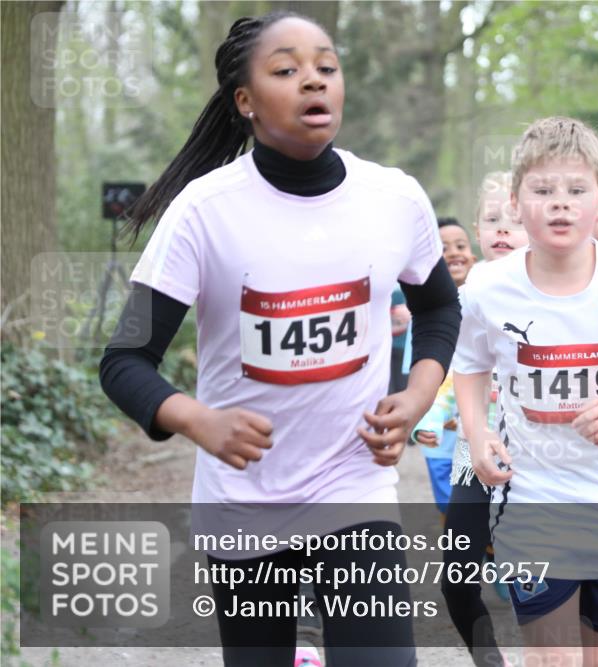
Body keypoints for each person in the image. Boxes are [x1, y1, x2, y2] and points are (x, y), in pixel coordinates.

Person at [99, 13, 461, 666]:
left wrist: (417, 396)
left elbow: (439, 309)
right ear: (245, 100)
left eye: (326, 66)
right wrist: (197, 419)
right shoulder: (202, 212)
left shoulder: (393, 198)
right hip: (243, 502)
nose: (313, 81)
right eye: (286, 69)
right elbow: (124, 360)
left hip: (354, 487)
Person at [453, 117, 598, 666]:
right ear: (516, 202)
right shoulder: (488, 287)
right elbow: (468, 365)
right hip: (530, 495)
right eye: (542, 190)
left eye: (576, 190)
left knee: (594, 660)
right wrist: (476, 431)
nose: (559, 203)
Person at [441, 171, 528, 667]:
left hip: (543, 456)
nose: (501, 228)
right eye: (491, 219)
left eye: (512, 220)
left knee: (541, 579)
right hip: (472, 453)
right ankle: (489, 660)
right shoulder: (458, 300)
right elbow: (437, 371)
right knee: (456, 579)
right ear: (477, 229)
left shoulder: (560, 296)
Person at [411, 218, 476, 515]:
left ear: (473, 256)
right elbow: (412, 376)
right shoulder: (422, 315)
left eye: (460, 246)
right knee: (449, 508)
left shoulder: (485, 302)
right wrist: (420, 419)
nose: (453, 253)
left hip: (475, 431)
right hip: (437, 435)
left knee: (478, 506)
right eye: (442, 248)